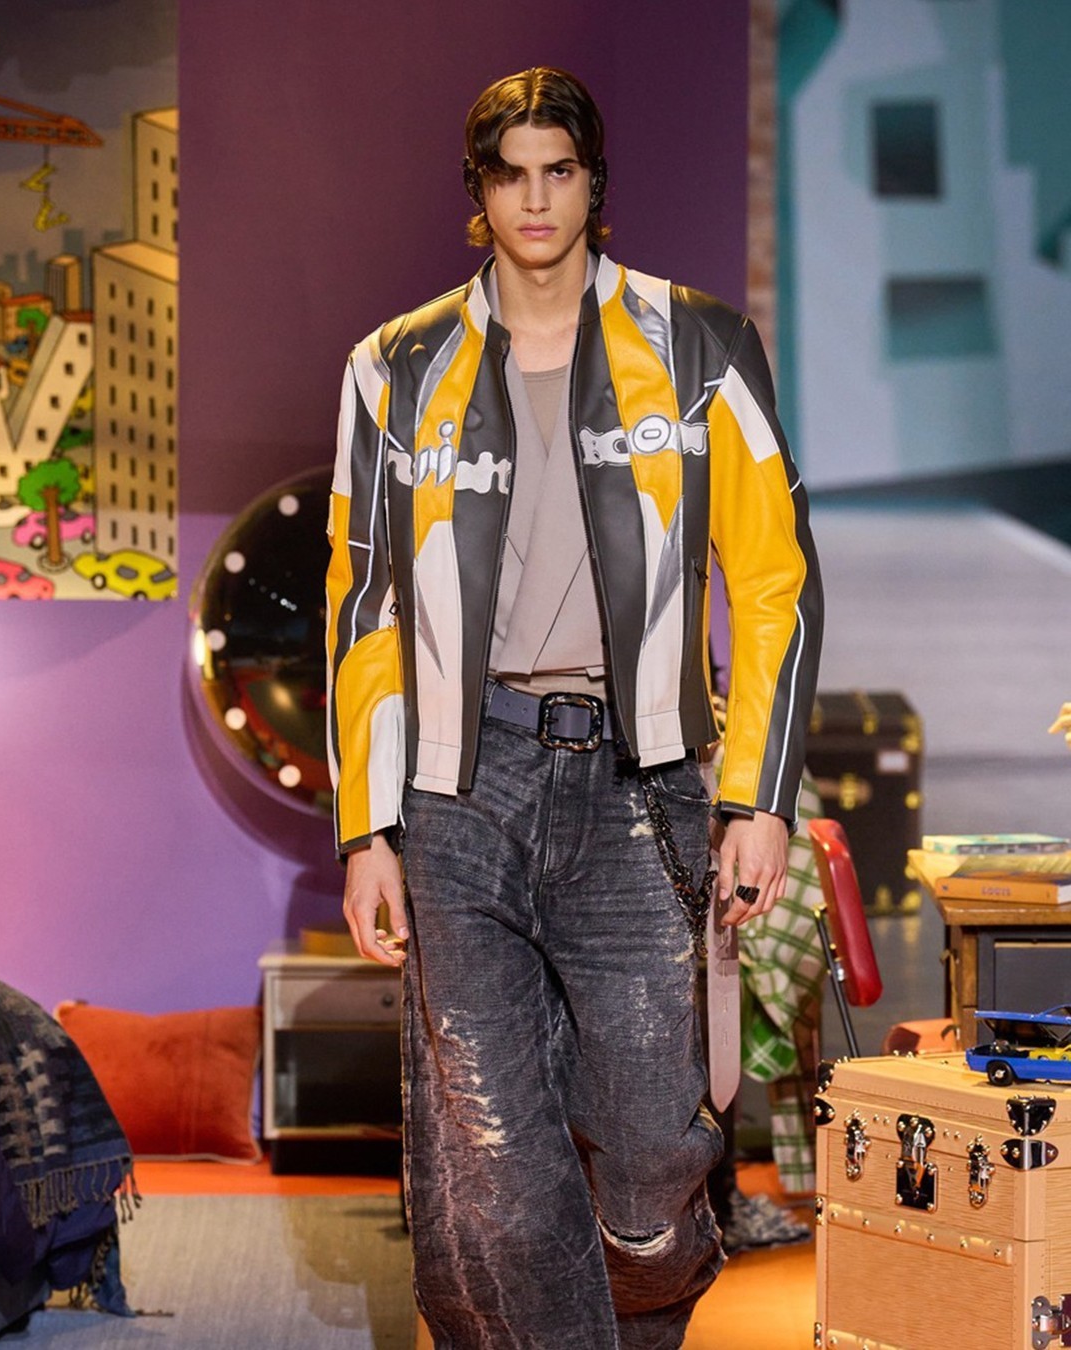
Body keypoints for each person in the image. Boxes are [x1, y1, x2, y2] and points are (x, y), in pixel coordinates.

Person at [326, 67, 823, 1350]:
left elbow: (774, 581)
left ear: (595, 183)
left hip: (637, 783)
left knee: (654, 1143)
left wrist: (758, 798)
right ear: (478, 192)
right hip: (461, 786)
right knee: (496, 1156)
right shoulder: (395, 367)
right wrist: (366, 829)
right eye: (511, 175)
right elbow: (364, 605)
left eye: (559, 171)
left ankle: (642, 1305)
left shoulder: (699, 346)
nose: (535, 200)